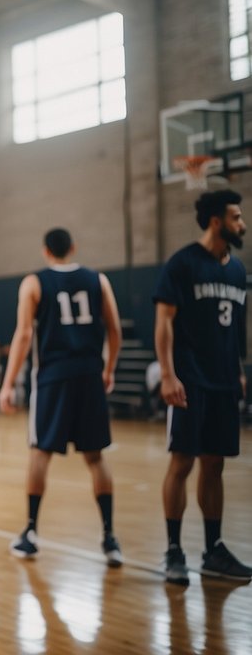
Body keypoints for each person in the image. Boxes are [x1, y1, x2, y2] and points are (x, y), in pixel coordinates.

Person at [0, 228, 124, 565]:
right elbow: (114, 329)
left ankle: (31, 532)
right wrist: (108, 369)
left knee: (40, 453)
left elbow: (24, 335)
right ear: (73, 248)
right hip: (89, 374)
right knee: (96, 457)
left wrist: (8, 383)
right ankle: (110, 537)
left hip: (53, 377)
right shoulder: (99, 280)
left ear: (45, 252)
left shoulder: (33, 283)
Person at [153, 189, 252, 584]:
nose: (242, 223)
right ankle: (174, 551)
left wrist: (240, 370)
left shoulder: (237, 270)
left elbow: (237, 327)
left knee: (215, 464)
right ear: (216, 222)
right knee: (183, 463)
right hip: (189, 379)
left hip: (225, 380)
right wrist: (167, 373)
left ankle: (214, 550)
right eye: (236, 217)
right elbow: (163, 322)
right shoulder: (182, 264)